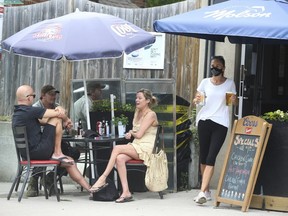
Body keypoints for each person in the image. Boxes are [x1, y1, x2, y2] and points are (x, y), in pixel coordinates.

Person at [12, 85, 91, 196]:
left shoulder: (18, 113)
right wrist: (65, 117)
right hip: (38, 150)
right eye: (33, 95)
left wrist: (61, 116)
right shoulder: (30, 110)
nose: (34, 98)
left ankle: (90, 189)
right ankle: (56, 154)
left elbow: (44, 122)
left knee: (69, 160)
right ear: (28, 97)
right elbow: (57, 115)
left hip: (29, 153)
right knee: (56, 118)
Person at [90, 88, 158, 203]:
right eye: (136, 98)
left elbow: (140, 134)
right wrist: (130, 132)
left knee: (117, 148)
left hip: (146, 147)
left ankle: (103, 178)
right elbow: (136, 131)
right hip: (137, 145)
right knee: (119, 158)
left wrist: (131, 133)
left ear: (147, 101)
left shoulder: (151, 114)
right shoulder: (137, 112)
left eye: (140, 98)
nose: (137, 100)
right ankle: (126, 192)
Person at [192, 56, 237, 204]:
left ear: (223, 68)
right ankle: (206, 191)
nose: (214, 68)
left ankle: (201, 192)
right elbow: (198, 100)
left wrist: (234, 100)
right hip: (204, 121)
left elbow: (230, 103)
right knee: (204, 157)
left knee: (211, 157)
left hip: (220, 123)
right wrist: (196, 100)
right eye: (213, 65)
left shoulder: (230, 83)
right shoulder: (205, 82)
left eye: (217, 66)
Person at [26, 85, 80, 197]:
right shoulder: (36, 107)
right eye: (51, 94)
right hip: (39, 141)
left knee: (73, 153)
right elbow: (44, 121)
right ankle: (34, 179)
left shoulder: (56, 107)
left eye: (55, 94)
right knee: (46, 151)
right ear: (43, 95)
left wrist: (67, 125)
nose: (54, 96)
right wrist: (61, 117)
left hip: (56, 142)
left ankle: (50, 177)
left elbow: (60, 124)